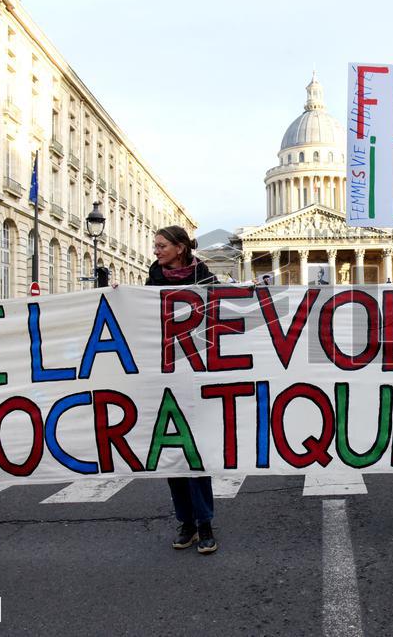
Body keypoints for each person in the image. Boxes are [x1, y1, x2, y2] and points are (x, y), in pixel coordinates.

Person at [146, 226, 220, 554]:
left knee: (196, 452)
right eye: (155, 246)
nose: (156, 251)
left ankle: (204, 522)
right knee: (173, 453)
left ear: (179, 248)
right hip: (165, 375)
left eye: (161, 245)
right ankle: (186, 521)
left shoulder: (206, 279)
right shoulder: (151, 282)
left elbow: (229, 314)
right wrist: (117, 296)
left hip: (199, 374)